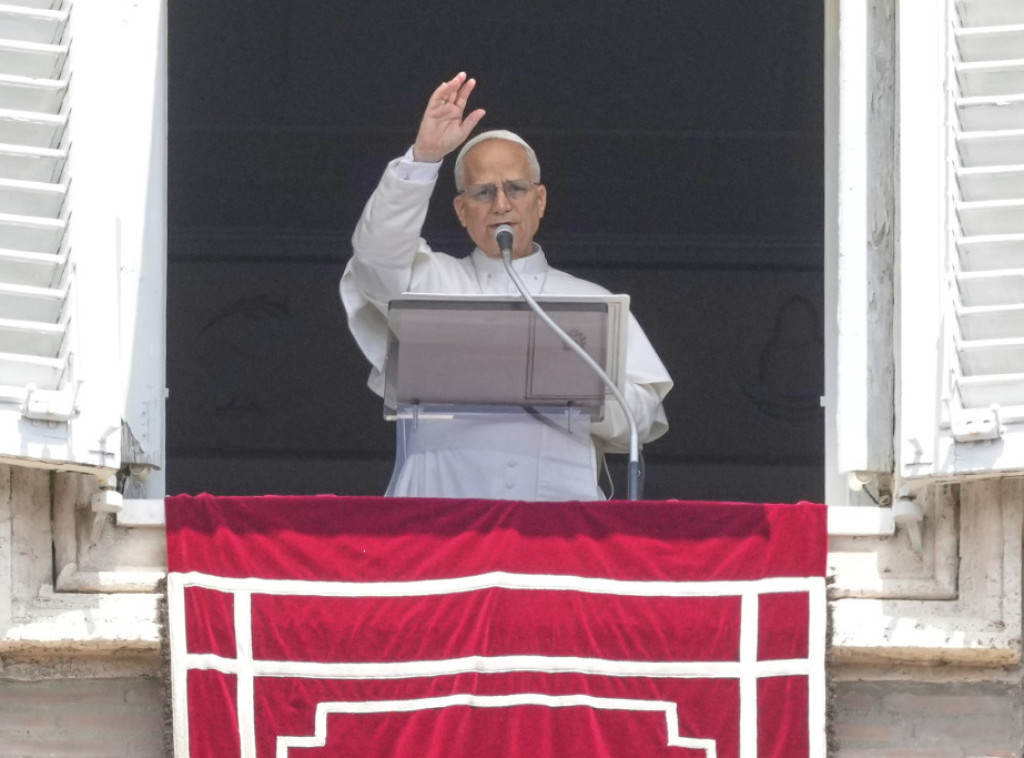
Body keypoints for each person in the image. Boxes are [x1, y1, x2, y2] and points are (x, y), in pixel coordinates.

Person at [341, 72, 672, 501]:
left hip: (558, 518)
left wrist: (574, 389)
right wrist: (423, 158)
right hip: (439, 510)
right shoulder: (430, 282)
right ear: (461, 210)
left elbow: (642, 416)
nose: (501, 205)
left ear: (540, 200)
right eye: (483, 193)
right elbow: (375, 259)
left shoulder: (591, 301)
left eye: (515, 189)